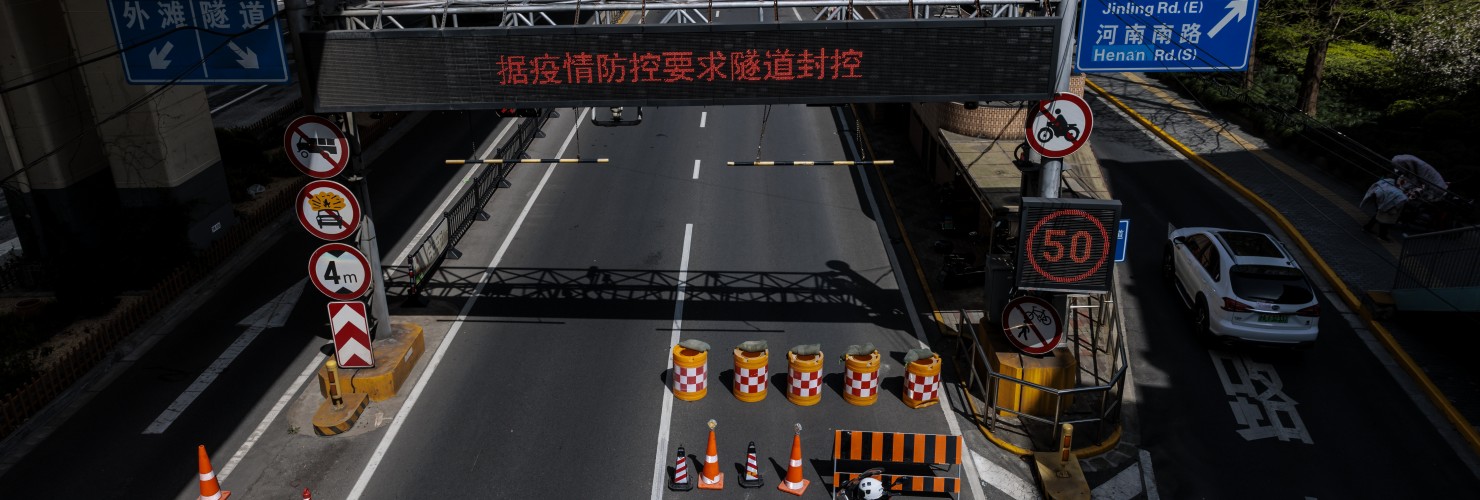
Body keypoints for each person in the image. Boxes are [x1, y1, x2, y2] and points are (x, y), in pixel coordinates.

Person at [1360, 175, 1409, 241]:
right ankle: (1381, 235)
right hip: (1386, 201)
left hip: (1383, 199)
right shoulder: (1399, 188)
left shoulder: (1389, 183)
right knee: (1384, 219)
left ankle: (1368, 228)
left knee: (1379, 215)